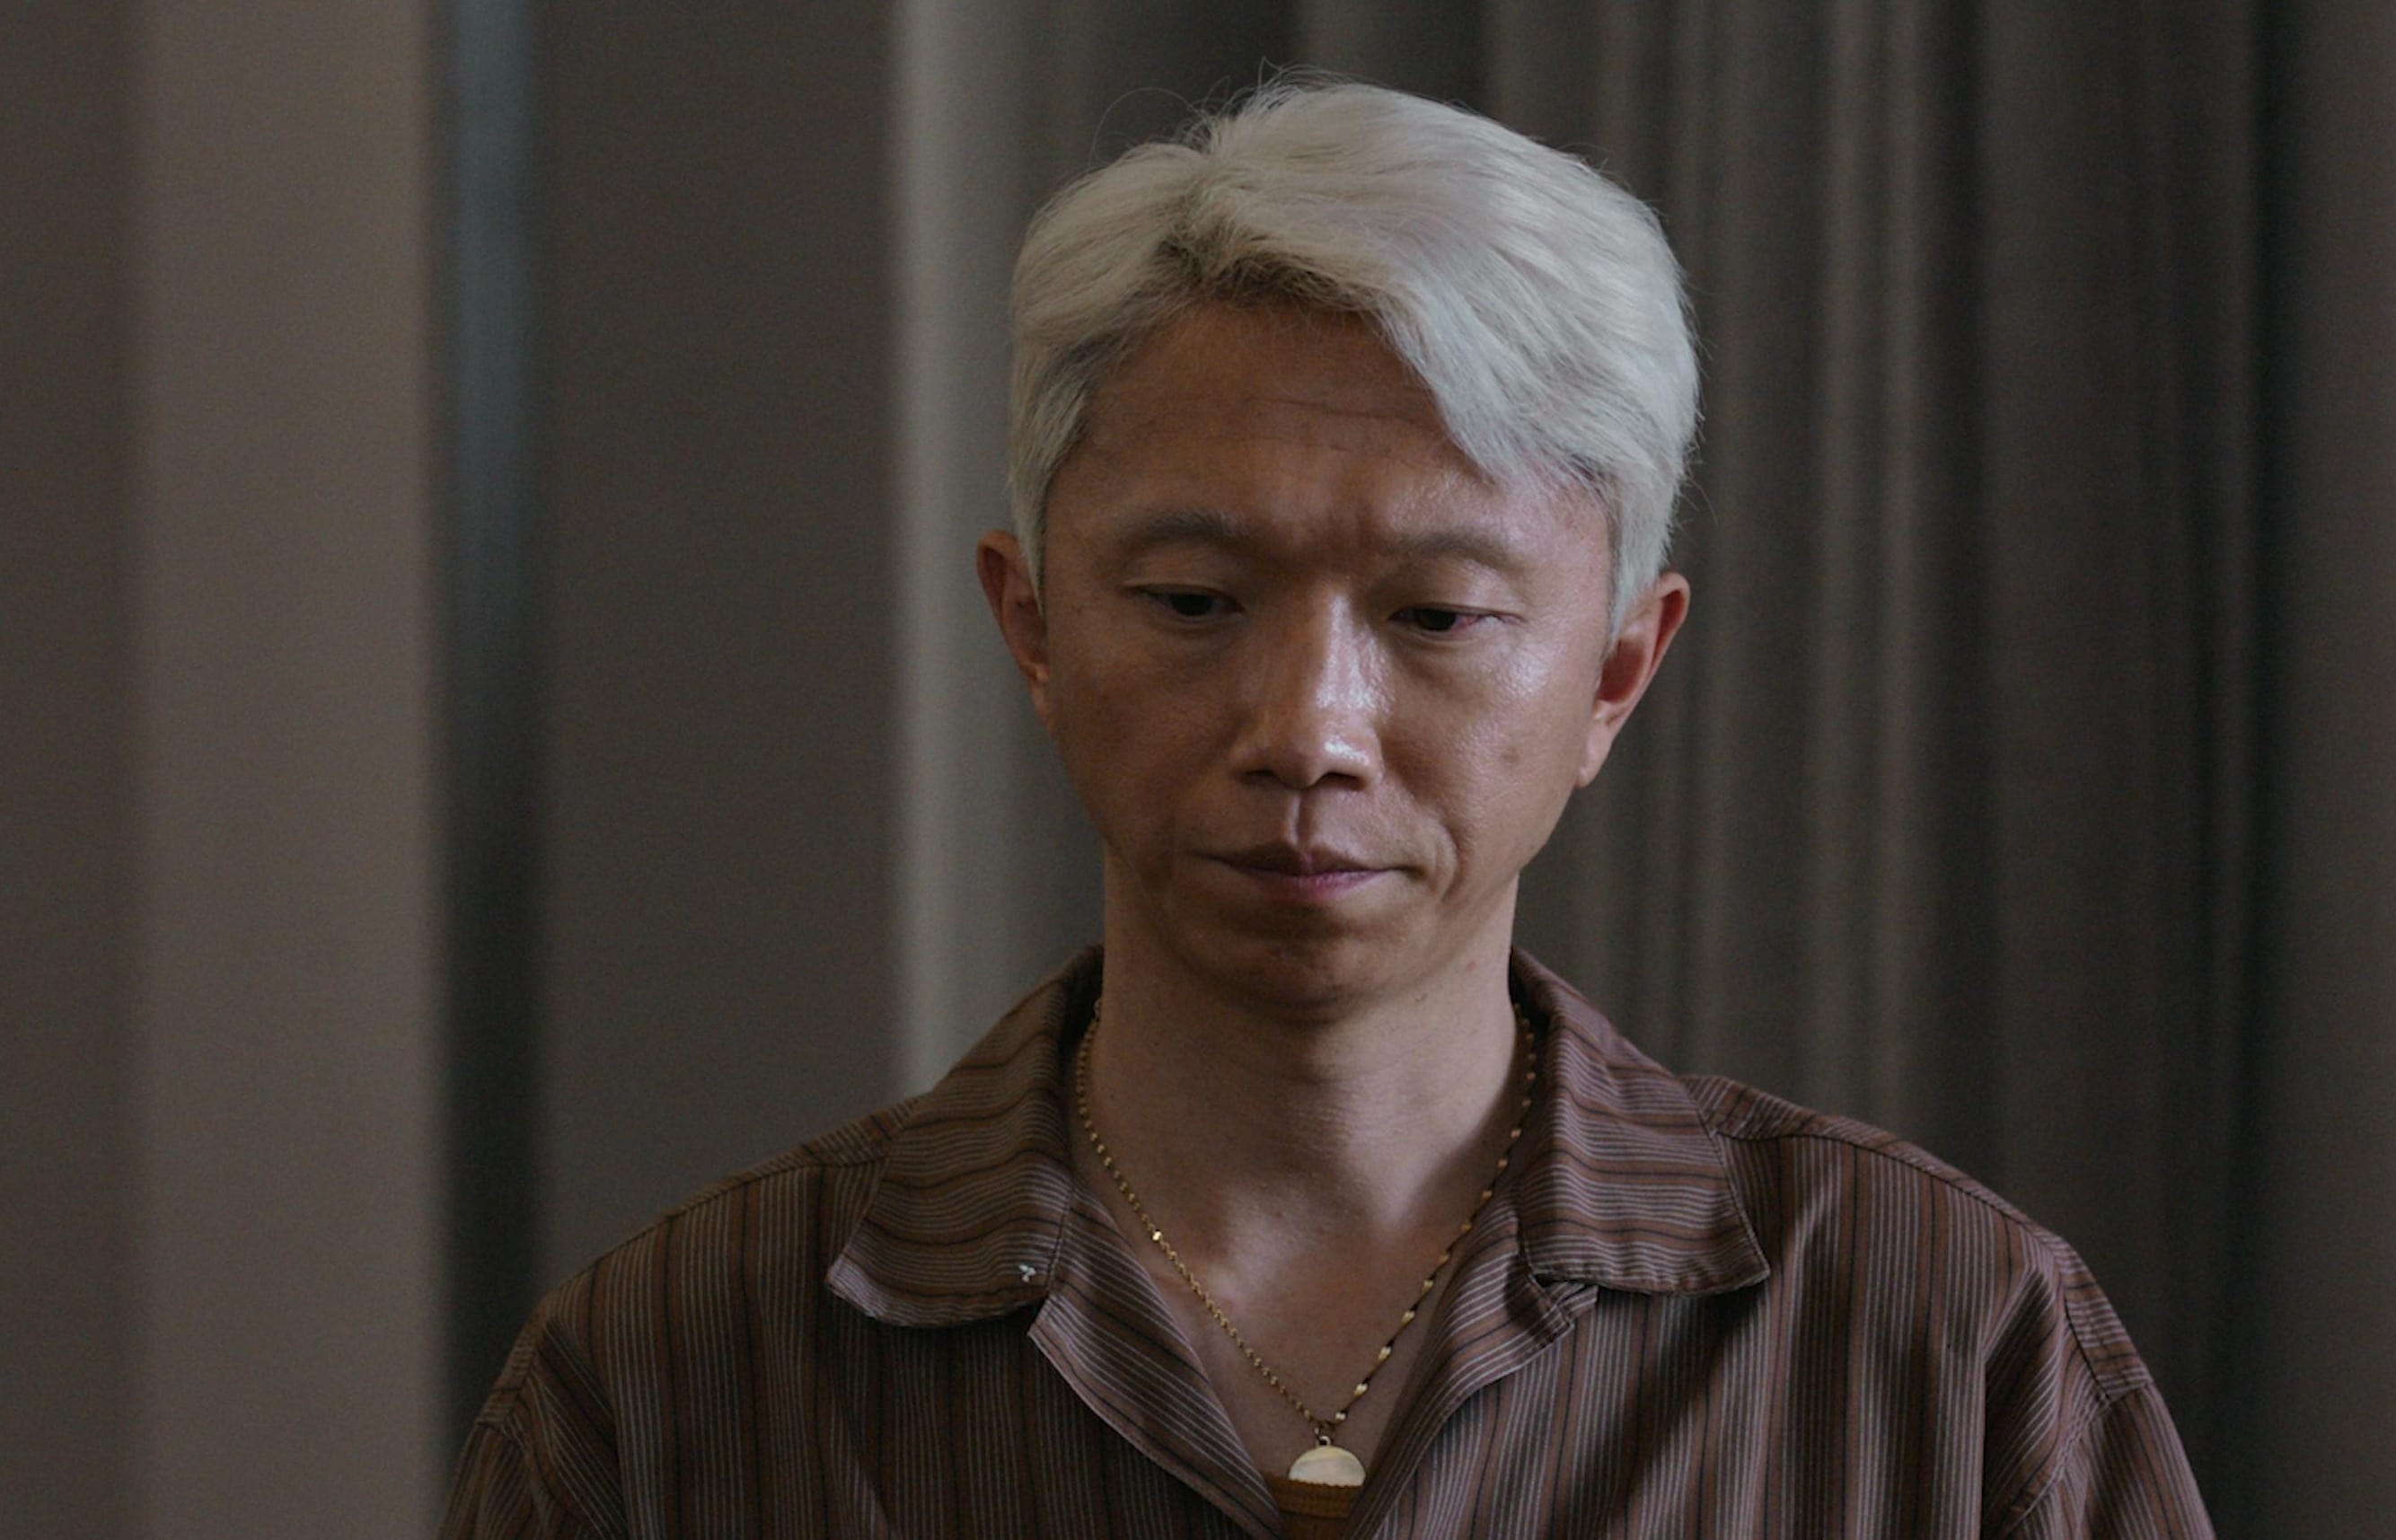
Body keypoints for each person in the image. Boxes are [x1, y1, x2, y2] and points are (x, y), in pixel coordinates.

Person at [442, 82, 2212, 1539]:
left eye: (1435, 617)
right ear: (1034, 628)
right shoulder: (676, 1381)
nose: (1307, 730)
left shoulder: (1935, 1345)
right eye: (1192, 602)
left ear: (1615, 673)